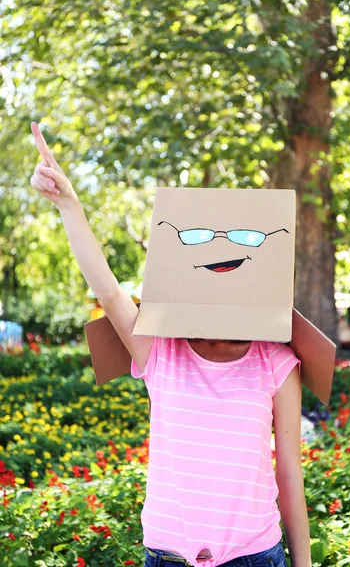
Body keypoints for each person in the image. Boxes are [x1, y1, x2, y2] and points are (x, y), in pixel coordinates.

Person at [30, 122, 311, 567]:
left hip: (256, 557)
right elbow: (108, 292)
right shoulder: (159, 352)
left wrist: (304, 564)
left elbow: (289, 474)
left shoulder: (275, 363)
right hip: (168, 558)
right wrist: (69, 205)